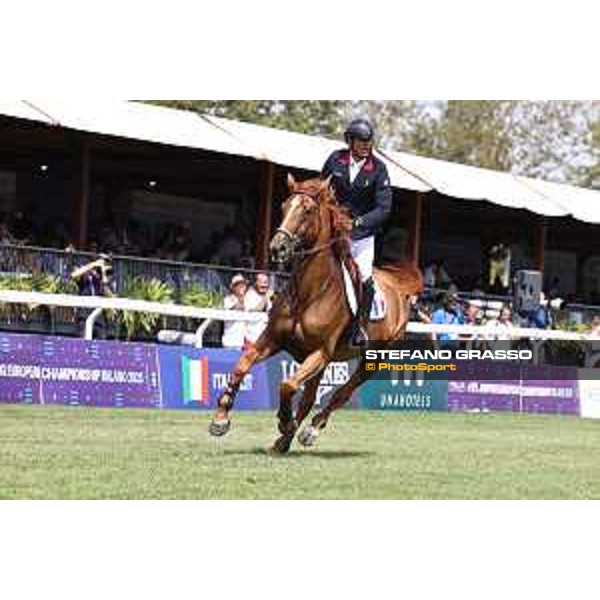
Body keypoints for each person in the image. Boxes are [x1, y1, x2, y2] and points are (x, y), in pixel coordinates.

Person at [321, 117, 392, 345]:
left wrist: (359, 223)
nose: (366, 145)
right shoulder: (335, 159)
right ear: (349, 140)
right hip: (332, 232)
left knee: (364, 276)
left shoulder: (378, 169)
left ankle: (359, 327)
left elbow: (383, 208)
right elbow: (323, 189)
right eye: (361, 141)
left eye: (368, 141)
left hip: (361, 236)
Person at [70, 253, 116, 338]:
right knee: (83, 344)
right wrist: (93, 265)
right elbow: (73, 275)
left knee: (100, 345)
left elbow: (111, 296)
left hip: (99, 318)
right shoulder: (86, 276)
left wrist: (103, 275)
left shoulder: (105, 277)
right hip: (84, 316)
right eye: (103, 262)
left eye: (107, 263)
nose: (104, 265)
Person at [244, 272, 273, 344]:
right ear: (256, 283)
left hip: (264, 340)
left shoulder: (267, 297)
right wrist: (266, 298)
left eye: (266, 282)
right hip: (252, 339)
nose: (264, 285)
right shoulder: (250, 294)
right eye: (261, 282)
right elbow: (255, 310)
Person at [221, 273, 249, 349]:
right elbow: (235, 308)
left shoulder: (247, 300)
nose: (242, 286)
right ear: (233, 288)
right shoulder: (228, 299)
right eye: (239, 284)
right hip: (229, 343)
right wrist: (241, 297)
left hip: (241, 343)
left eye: (243, 284)